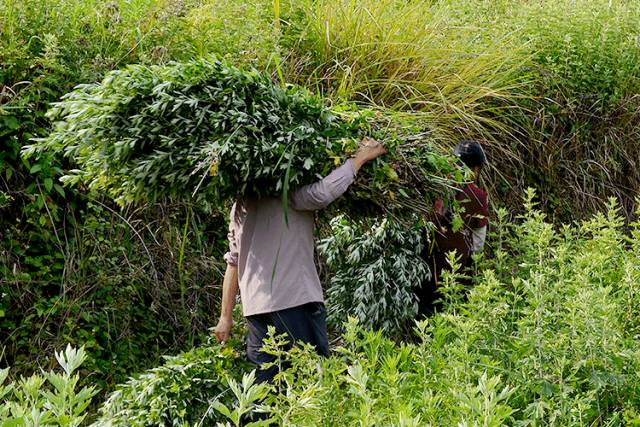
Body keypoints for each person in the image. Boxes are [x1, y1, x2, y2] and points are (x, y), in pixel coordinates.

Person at [213, 137, 386, 384]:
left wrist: (225, 317)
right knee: (311, 380)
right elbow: (322, 193)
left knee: (265, 388)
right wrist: (360, 158)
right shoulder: (286, 191)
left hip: (256, 310)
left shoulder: (240, 206)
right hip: (293, 302)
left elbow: (233, 262)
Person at [416, 139, 490, 316]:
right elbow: (478, 243)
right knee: (448, 312)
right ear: (475, 169)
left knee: (423, 312)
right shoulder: (478, 196)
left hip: (424, 264)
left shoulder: (435, 186)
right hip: (455, 268)